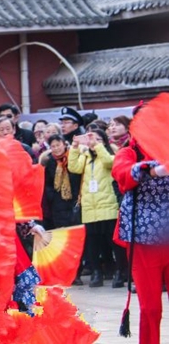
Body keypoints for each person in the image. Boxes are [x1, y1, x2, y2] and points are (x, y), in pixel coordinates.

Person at [113, 112, 169, 344]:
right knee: (150, 308)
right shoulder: (129, 152)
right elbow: (122, 174)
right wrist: (153, 169)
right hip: (144, 240)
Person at [67, 129, 123, 287]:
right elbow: (73, 168)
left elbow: (109, 163)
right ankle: (96, 272)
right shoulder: (85, 156)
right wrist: (75, 147)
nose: (93, 142)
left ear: (104, 141)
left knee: (112, 241)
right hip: (90, 206)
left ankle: (120, 271)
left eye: (98, 139)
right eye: (91, 139)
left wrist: (98, 146)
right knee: (92, 242)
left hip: (108, 204)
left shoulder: (110, 153)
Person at [40, 135, 81, 231]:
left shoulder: (73, 156)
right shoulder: (49, 161)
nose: (56, 148)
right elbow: (47, 183)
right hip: (57, 202)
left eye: (58, 145)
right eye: (53, 146)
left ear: (64, 144)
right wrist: (52, 197)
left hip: (75, 199)